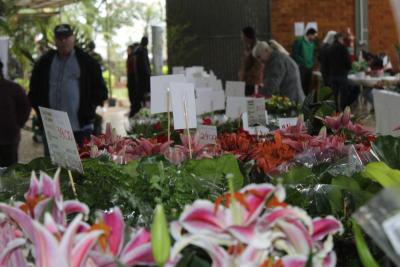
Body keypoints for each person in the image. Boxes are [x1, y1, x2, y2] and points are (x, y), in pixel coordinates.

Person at [29, 24, 108, 154]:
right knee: (54, 167)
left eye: (66, 37)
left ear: (73, 38)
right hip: (53, 129)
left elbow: (101, 91)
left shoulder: (87, 62)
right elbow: (33, 92)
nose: (63, 41)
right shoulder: (44, 63)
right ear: (55, 40)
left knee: (82, 168)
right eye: (59, 38)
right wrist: (40, 113)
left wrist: (89, 109)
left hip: (80, 127)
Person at [0, 60, 31, 167]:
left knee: (10, 172)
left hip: (9, 139)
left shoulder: (14, 88)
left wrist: (18, 124)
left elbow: (26, 107)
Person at [328, 33, 354, 111]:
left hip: (332, 75)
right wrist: (349, 68)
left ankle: (335, 111)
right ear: (339, 39)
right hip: (342, 74)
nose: (343, 41)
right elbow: (348, 60)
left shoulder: (330, 48)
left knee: (334, 95)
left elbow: (326, 62)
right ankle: (344, 111)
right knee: (343, 95)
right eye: (342, 39)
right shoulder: (343, 47)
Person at [238, 26, 263, 96]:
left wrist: (245, 75)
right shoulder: (249, 47)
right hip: (247, 81)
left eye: (242, 35)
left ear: (247, 36)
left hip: (254, 82)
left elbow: (258, 67)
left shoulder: (257, 47)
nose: (241, 37)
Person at [292, 28, 318, 95]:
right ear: (309, 34)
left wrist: (313, 63)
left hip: (310, 67)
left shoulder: (312, 43)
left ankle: (306, 100)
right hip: (302, 67)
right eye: (314, 36)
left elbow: (313, 54)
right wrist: (302, 62)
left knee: (308, 85)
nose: (314, 38)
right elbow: (295, 54)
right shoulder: (299, 41)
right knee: (301, 84)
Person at [131, 36, 151, 117]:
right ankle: (135, 111)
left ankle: (136, 110)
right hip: (143, 77)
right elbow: (144, 65)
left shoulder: (138, 50)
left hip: (140, 77)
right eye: (146, 41)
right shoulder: (141, 50)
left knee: (140, 95)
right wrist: (148, 74)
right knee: (140, 95)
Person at [127, 43, 139, 117]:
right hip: (130, 79)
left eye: (128, 50)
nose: (127, 51)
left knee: (133, 95)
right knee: (131, 95)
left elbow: (134, 70)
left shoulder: (133, 57)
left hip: (133, 79)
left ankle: (134, 111)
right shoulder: (129, 57)